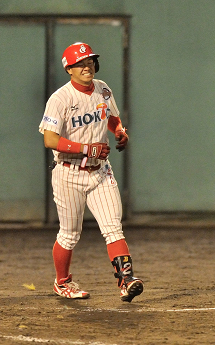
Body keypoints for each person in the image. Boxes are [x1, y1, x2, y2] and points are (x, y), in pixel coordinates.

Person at [39, 42, 144, 303]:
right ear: (69, 69)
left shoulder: (102, 88)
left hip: (100, 172)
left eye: (89, 62)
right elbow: (50, 140)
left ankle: (126, 281)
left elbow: (111, 116)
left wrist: (119, 131)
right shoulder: (60, 99)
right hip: (68, 172)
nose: (86, 67)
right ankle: (62, 283)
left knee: (113, 228)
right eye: (80, 64)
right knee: (70, 234)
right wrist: (88, 148)